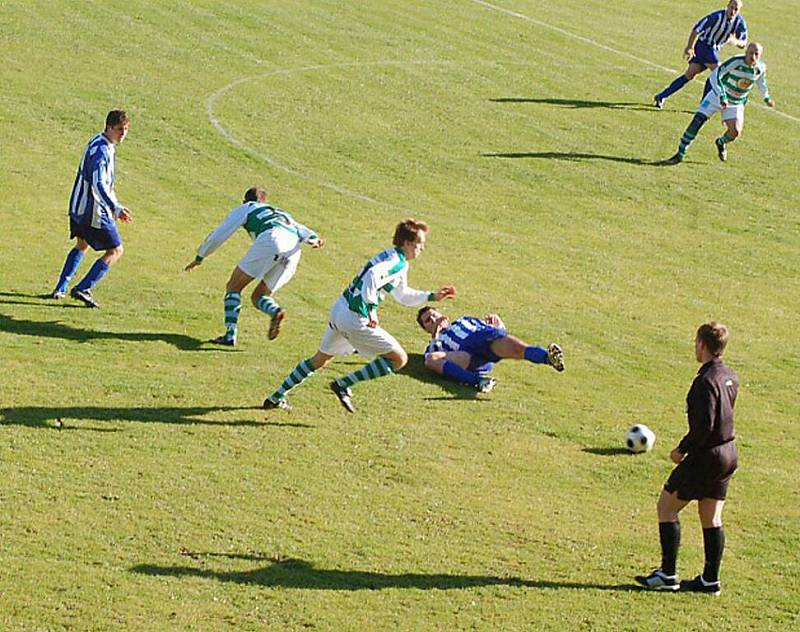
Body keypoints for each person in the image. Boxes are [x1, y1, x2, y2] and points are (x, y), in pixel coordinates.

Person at [262, 219, 455, 413]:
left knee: (319, 360)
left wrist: (432, 296)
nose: (422, 248)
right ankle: (343, 384)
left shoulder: (394, 257)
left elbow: (402, 294)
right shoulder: (397, 263)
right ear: (407, 243)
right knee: (399, 359)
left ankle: (276, 396)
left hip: (340, 309)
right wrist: (371, 309)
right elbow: (372, 275)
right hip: (355, 317)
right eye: (419, 243)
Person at [635, 322, 739, 596]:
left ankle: (667, 574)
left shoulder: (704, 382)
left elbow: (703, 427)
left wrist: (681, 450)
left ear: (702, 345)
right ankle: (710, 580)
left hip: (707, 455)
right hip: (729, 453)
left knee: (667, 506)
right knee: (711, 515)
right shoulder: (729, 376)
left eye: (696, 342)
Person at [185, 186, 324, 345]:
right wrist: (314, 238)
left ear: (244, 201)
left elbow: (221, 232)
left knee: (233, 287)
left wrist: (200, 256)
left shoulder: (247, 208)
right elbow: (303, 230)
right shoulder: (281, 212)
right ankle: (276, 311)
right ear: (265, 201)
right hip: (293, 251)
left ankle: (230, 335)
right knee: (259, 296)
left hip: (272, 240)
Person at [51, 110, 132, 308]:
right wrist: (116, 208)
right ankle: (84, 287)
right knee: (115, 250)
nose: (123, 134)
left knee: (82, 244)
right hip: (93, 211)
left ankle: (60, 288)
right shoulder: (103, 151)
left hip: (78, 206)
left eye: (126, 130)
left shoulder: (97, 141)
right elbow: (99, 184)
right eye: (119, 130)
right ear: (109, 127)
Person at [663, 42, 774, 165]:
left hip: (735, 103)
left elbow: (761, 82)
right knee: (697, 122)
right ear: (746, 52)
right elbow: (715, 75)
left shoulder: (761, 68)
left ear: (760, 56)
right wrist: (722, 95)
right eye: (750, 53)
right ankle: (680, 154)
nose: (753, 56)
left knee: (735, 132)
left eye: (756, 54)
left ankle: (721, 142)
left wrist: (767, 98)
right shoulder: (735, 62)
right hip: (717, 96)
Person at [416, 307, 564, 392]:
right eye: (428, 321)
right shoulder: (435, 342)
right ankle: (478, 381)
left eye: (434, 316)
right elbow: (431, 357)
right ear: (426, 329)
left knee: (518, 349)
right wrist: (436, 336)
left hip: (481, 339)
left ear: (443, 316)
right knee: (431, 359)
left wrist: (499, 324)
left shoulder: (464, 320)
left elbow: (494, 331)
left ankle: (548, 358)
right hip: (466, 355)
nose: (434, 321)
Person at [654, 0, 747, 109]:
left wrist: (735, 41)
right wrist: (689, 47)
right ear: (727, 6)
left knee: (690, 75)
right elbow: (697, 29)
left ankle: (661, 96)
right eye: (732, 8)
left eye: (736, 9)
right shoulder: (717, 16)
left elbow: (743, 43)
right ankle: (703, 106)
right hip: (703, 46)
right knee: (718, 74)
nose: (733, 11)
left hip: (712, 50)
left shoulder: (739, 22)